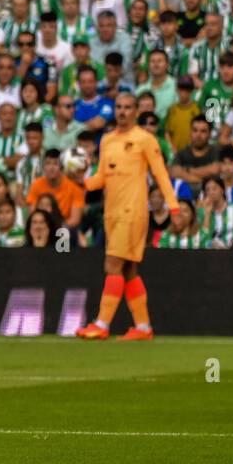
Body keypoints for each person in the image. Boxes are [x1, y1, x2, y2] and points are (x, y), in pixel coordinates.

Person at [76, 92, 183, 340]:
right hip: (111, 212)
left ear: (136, 111)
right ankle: (143, 327)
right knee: (129, 270)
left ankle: (102, 324)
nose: (122, 112)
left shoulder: (145, 140)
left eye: (127, 108)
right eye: (119, 107)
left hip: (132, 212)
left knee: (112, 265)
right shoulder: (107, 140)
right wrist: (82, 182)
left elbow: (160, 174)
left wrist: (174, 208)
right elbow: (102, 177)